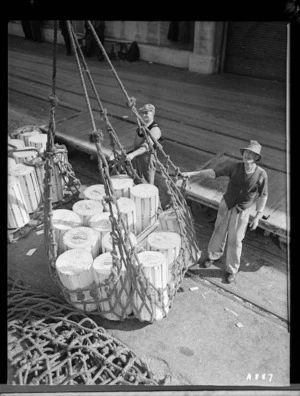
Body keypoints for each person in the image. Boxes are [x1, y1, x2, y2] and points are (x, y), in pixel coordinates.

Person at [183, 140, 268, 283]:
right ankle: (212, 255)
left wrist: (258, 216)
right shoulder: (235, 167)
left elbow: (263, 195)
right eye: (247, 152)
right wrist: (192, 174)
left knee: (235, 240)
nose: (248, 155)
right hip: (226, 205)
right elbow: (214, 173)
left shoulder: (261, 174)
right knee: (218, 231)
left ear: (256, 158)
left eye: (252, 154)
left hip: (242, 211)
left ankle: (231, 269)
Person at [126, 104, 162, 184]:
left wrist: (132, 154)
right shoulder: (142, 126)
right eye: (142, 113)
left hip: (147, 160)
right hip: (137, 158)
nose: (144, 115)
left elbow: (146, 146)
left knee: (147, 185)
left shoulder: (155, 129)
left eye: (146, 113)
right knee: (136, 181)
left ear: (152, 113)